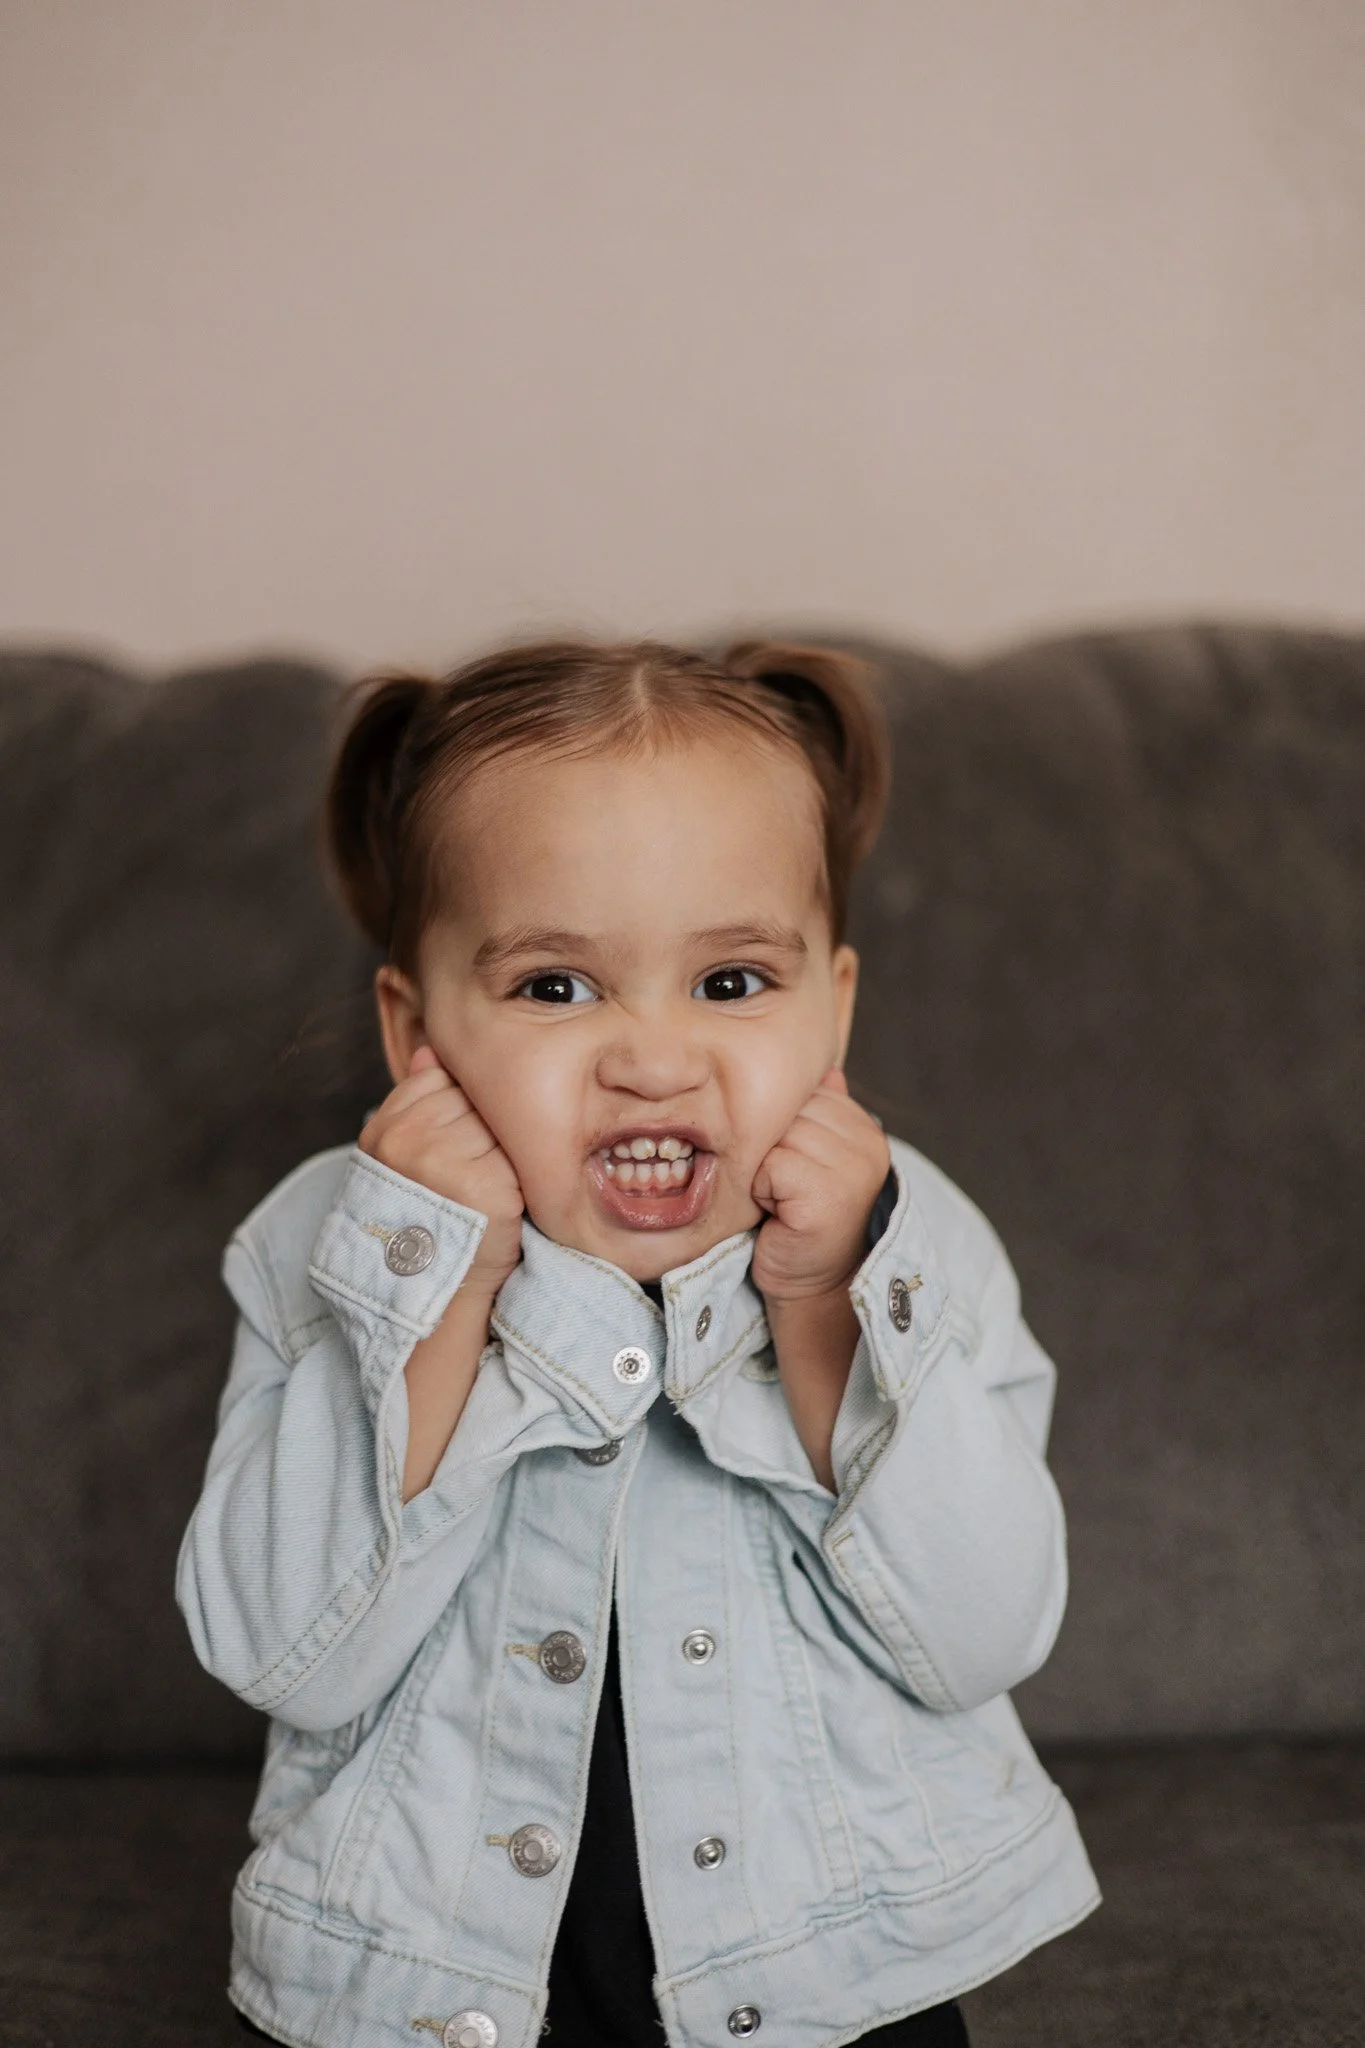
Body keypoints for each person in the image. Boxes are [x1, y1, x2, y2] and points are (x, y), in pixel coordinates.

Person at [177, 637, 1099, 2048]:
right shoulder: (333, 1247)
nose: (654, 1058)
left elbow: (983, 1636)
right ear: (416, 1036)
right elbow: (281, 1654)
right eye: (556, 987)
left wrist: (824, 1308)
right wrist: (436, 1292)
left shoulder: (910, 1244)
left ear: (834, 1011)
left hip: (831, 1986)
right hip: (425, 1988)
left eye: (732, 983)